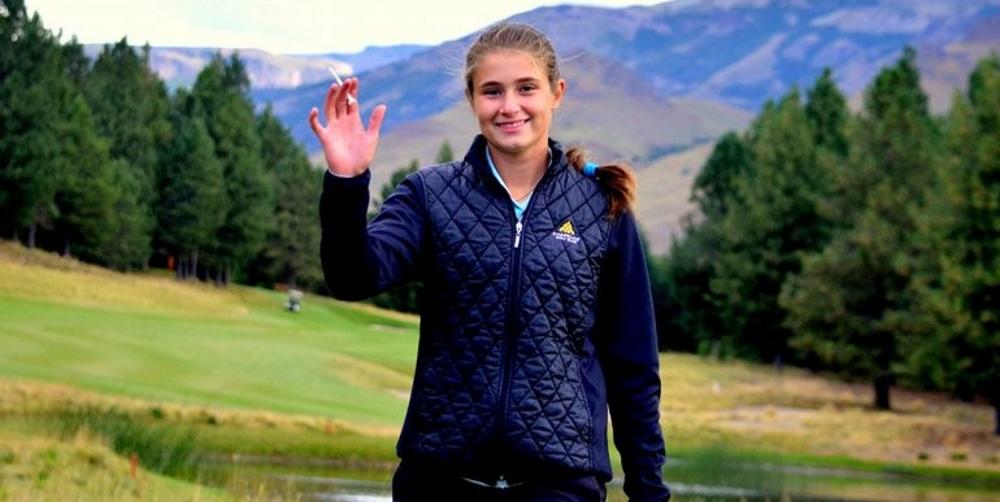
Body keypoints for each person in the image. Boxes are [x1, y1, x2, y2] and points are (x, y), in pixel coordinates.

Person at [310, 22, 670, 502]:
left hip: (559, 487)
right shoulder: (429, 196)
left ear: (556, 93)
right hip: (438, 483)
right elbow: (352, 277)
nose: (509, 106)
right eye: (492, 91)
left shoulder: (602, 209)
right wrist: (346, 182)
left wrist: (649, 491)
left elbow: (634, 368)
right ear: (472, 99)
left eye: (527, 88)